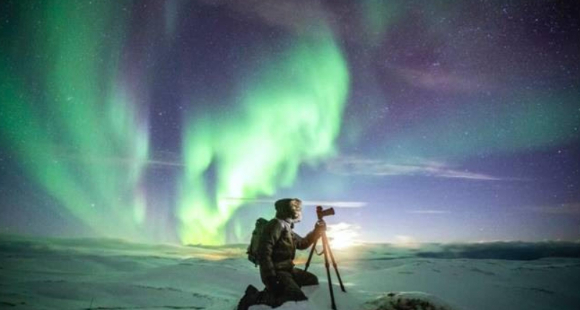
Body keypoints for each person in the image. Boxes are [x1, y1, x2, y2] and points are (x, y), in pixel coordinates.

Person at [237, 198, 324, 309]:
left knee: (311, 280)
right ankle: (253, 297)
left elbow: (302, 243)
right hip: (276, 271)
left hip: (288, 269)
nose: (299, 211)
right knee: (295, 296)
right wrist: (270, 277)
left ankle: (281, 290)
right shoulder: (275, 225)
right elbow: (264, 253)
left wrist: (317, 231)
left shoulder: (286, 226)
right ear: (289, 210)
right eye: (296, 208)